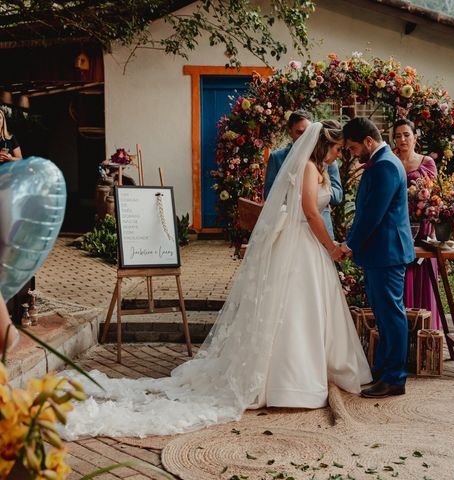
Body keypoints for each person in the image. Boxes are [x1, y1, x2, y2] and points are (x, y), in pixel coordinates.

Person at [62, 121, 371, 439]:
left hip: (308, 248)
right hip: (302, 245)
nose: (337, 155)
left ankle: (315, 370)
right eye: (336, 149)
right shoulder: (307, 167)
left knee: (309, 308)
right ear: (324, 144)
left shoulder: (317, 166)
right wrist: (331, 246)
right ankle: (289, 382)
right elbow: (309, 211)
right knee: (294, 310)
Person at [341, 117, 415, 399]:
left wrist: (349, 245)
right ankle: (384, 370)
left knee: (391, 315)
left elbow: (372, 214)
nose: (352, 153)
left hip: (386, 252)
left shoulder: (384, 165)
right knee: (384, 316)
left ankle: (395, 378)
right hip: (380, 252)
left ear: (368, 141)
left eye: (353, 147)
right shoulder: (384, 160)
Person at [393, 118, 441, 330]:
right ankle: (403, 334)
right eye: (398, 135)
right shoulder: (390, 160)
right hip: (395, 226)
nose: (402, 139)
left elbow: (432, 194)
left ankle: (424, 334)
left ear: (415, 137)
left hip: (420, 227)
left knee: (422, 274)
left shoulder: (426, 163)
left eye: (406, 135)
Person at [264, 110, 343, 239]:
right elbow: (269, 193)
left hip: (322, 225)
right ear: (290, 132)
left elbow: (338, 196)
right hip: (288, 228)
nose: (305, 137)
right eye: (299, 132)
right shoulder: (277, 158)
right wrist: (295, 191)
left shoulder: (327, 159)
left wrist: (314, 189)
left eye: (308, 132)